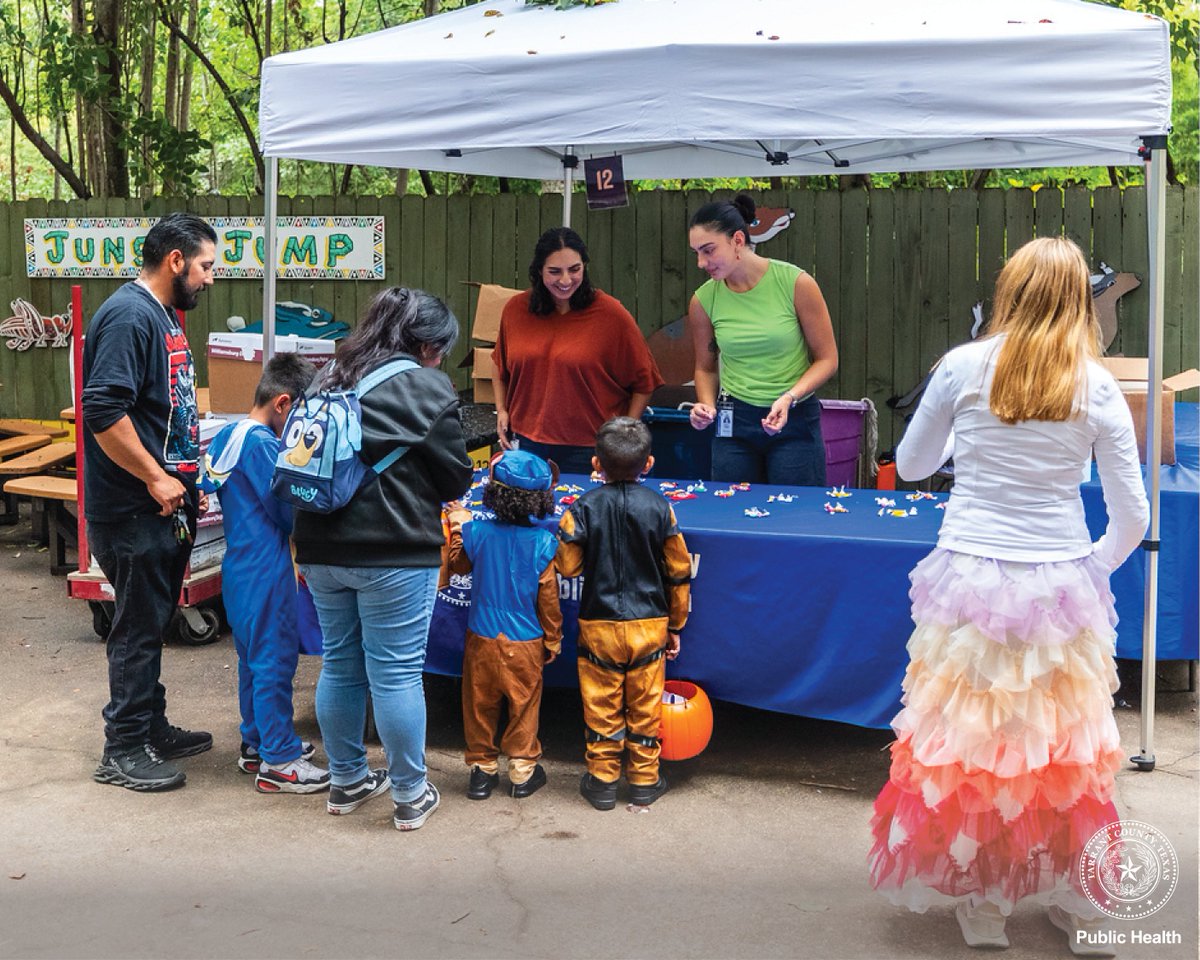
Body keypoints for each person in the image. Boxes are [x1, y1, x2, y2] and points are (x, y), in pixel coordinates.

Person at [867, 237, 1149, 956]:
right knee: (1065, 748)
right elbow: (1133, 517)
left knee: (975, 747)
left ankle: (985, 901)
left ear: (1009, 292)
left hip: (971, 577)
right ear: (1082, 302)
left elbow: (914, 463)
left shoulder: (963, 367)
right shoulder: (1099, 384)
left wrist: (971, 435)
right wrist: (1092, 571)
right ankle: (1082, 903)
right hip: (1059, 580)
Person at [294, 287, 473, 831]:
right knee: (395, 674)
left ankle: (346, 781)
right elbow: (455, 477)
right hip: (394, 550)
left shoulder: (330, 374)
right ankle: (410, 794)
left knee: (341, 665)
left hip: (320, 545)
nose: (440, 360)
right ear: (424, 345)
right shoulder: (426, 386)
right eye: (441, 349)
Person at [82, 212, 217, 792]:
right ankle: (123, 746)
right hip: (134, 509)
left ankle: (150, 726)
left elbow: (157, 408)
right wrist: (157, 479)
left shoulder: (162, 315)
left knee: (154, 619)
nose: (212, 278)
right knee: (137, 629)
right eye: (208, 265)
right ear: (177, 261)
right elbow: (102, 411)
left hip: (164, 505)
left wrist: (188, 468)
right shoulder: (129, 316)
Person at [202, 353, 329, 794]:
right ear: (282, 404)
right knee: (274, 663)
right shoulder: (262, 446)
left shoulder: (228, 435)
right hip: (268, 569)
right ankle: (280, 759)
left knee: (253, 662)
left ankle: (257, 743)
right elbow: (287, 513)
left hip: (239, 565)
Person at [555, 417, 691, 810]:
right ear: (648, 464)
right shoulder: (661, 509)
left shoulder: (582, 508)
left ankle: (601, 782)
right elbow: (679, 572)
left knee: (601, 704)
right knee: (645, 706)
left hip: (599, 623)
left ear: (596, 463)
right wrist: (676, 625)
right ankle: (645, 781)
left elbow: (567, 567)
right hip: (650, 625)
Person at [686, 194, 838, 485]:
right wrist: (706, 405)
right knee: (732, 515)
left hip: (793, 416)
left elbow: (827, 359)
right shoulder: (703, 300)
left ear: (738, 240)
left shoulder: (796, 283)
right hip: (734, 421)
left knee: (795, 518)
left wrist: (789, 397)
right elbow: (705, 368)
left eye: (708, 250)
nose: (701, 262)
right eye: (696, 252)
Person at [492, 227, 663, 474]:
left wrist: (624, 435)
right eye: (554, 271)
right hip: (524, 444)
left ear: (585, 266)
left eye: (574, 269)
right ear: (538, 271)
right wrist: (502, 409)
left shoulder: (611, 314)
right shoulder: (515, 310)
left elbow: (645, 382)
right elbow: (498, 364)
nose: (565, 280)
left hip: (590, 448)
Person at [444, 450, 563, 801]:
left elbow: (458, 566)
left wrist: (458, 526)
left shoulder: (476, 532)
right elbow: (548, 601)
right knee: (524, 706)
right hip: (526, 639)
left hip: (481, 635)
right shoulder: (544, 542)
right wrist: (553, 640)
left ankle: (482, 771)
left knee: (478, 704)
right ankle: (522, 772)